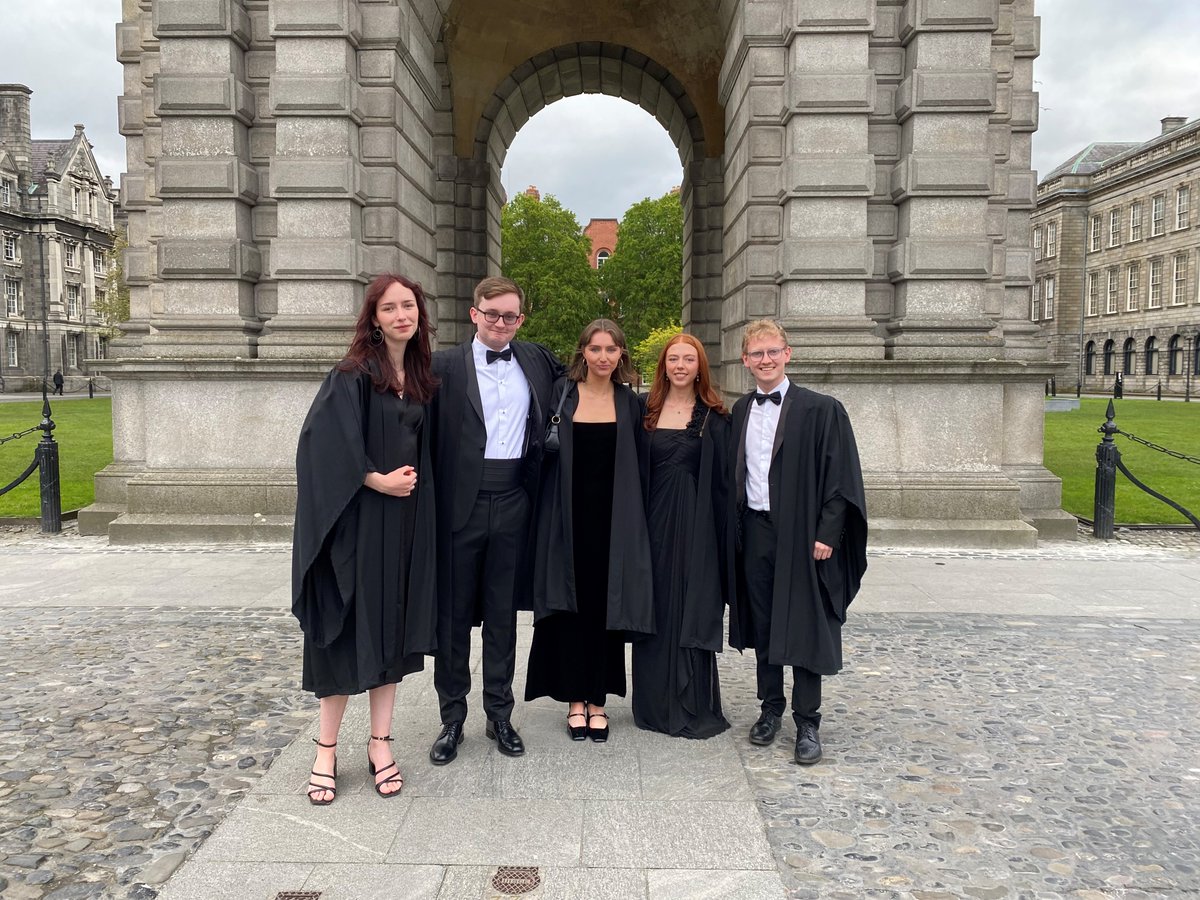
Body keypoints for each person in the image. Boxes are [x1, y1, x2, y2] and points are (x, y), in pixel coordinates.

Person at [291, 273, 439, 804]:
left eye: (409, 306)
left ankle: (380, 744)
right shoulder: (351, 374)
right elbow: (319, 445)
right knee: (343, 631)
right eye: (390, 308)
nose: (402, 314)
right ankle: (325, 749)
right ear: (373, 318)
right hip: (355, 523)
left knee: (389, 635)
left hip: (401, 528)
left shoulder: (419, 375)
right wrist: (374, 478)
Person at [427, 276, 564, 765]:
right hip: (458, 507)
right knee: (453, 617)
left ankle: (500, 714)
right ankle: (451, 718)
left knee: (503, 616)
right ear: (474, 313)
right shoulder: (442, 365)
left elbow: (582, 381)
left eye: (510, 316)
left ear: (521, 320)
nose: (501, 323)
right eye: (493, 314)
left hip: (514, 501)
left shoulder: (535, 358)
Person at [729, 319, 868, 765]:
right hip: (756, 531)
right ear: (745, 360)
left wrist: (828, 533)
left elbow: (840, 477)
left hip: (805, 536)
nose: (765, 360)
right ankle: (770, 710)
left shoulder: (822, 410)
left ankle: (808, 721)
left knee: (807, 625)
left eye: (773, 352)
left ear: (788, 354)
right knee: (765, 622)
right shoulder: (740, 412)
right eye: (756, 354)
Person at [525, 319, 653, 742]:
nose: (603, 357)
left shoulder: (629, 403)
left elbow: (639, 465)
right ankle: (573, 701)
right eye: (595, 349)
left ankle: (597, 701)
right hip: (566, 518)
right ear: (583, 352)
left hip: (614, 521)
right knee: (570, 609)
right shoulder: (562, 396)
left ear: (622, 355)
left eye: (611, 350)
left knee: (604, 609)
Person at [632, 334, 731, 739]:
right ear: (663, 365)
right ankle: (654, 703)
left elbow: (727, 482)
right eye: (673, 358)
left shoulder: (715, 416)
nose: (680, 365)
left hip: (695, 525)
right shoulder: (644, 410)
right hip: (651, 523)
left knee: (691, 603)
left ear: (699, 365)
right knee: (654, 605)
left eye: (688, 359)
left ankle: (692, 703)